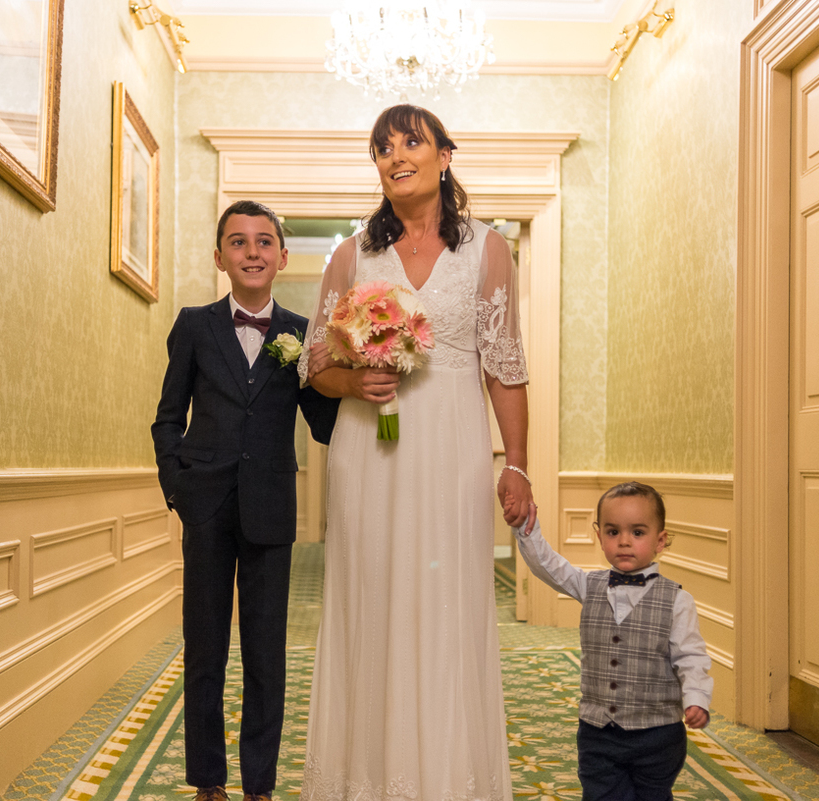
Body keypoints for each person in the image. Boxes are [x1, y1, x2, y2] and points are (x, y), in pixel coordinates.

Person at [297, 104, 533, 801]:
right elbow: (315, 364)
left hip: (454, 447)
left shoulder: (488, 248)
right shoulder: (351, 255)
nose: (395, 154)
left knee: (450, 603)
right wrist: (355, 377)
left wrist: (514, 462)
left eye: (410, 141)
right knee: (371, 603)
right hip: (371, 449)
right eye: (382, 147)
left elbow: (505, 365)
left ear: (444, 156)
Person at [151, 200, 341, 801]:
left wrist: (368, 381)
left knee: (266, 653)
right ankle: (208, 779)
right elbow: (167, 417)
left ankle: (259, 782)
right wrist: (178, 484)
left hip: (270, 509)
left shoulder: (301, 333)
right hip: (204, 507)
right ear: (219, 257)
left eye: (264, 242)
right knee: (205, 648)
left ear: (282, 257)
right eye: (239, 242)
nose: (252, 252)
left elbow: (322, 422)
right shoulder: (193, 324)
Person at [512, 482, 713, 801]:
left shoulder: (678, 600)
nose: (623, 541)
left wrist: (696, 697)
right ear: (599, 536)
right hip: (598, 732)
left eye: (637, 532)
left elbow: (690, 657)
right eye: (612, 531)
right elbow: (548, 566)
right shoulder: (588, 585)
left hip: (658, 734)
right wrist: (525, 527)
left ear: (660, 540)